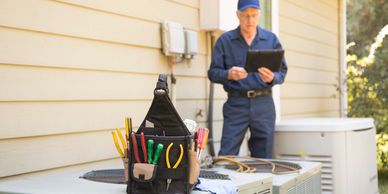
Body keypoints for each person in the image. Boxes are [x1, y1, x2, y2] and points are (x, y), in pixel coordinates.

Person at [208, 0, 288, 158]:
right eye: (245, 16)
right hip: (236, 104)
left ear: (259, 14)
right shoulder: (225, 41)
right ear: (238, 15)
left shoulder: (271, 40)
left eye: (253, 15)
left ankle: (262, 183)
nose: (250, 21)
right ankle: (224, 182)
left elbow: (282, 72)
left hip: (264, 104)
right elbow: (213, 73)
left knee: (264, 155)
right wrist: (229, 74)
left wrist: (272, 78)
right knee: (227, 154)